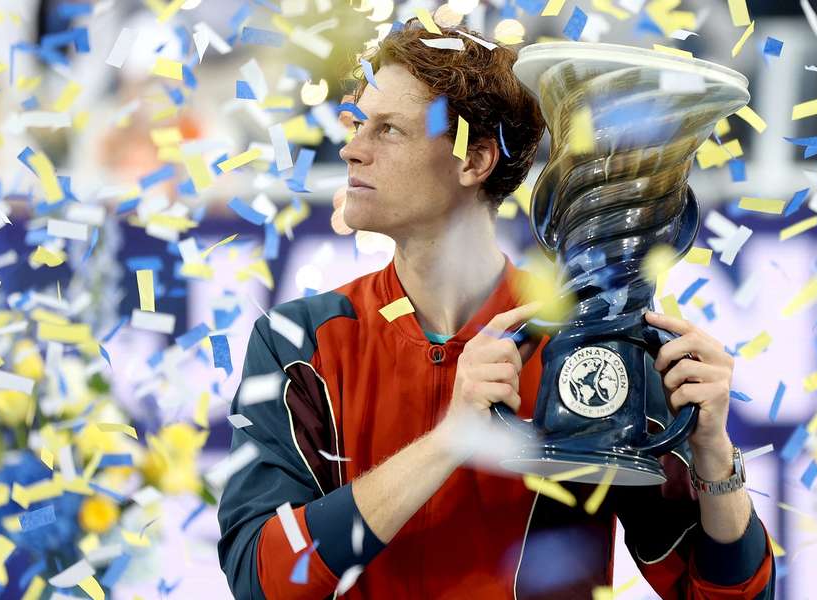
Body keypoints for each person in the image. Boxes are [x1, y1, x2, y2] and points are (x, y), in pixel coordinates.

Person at [217, 18, 776, 600]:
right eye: (358, 124)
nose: (353, 150)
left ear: (474, 160)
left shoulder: (588, 343)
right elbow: (262, 580)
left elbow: (723, 595)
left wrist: (715, 457)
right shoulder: (300, 341)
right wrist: (448, 441)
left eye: (387, 130)